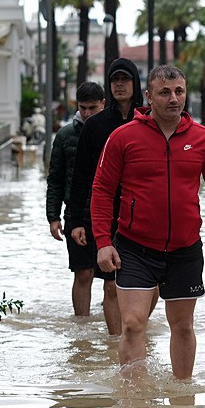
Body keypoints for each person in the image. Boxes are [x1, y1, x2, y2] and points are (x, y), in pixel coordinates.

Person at [91, 64, 205, 380]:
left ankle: (182, 397)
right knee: (133, 323)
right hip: (134, 248)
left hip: (184, 249)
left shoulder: (204, 140)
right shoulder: (123, 137)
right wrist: (103, 242)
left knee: (183, 326)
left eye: (179, 91)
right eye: (165, 92)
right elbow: (102, 190)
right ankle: (135, 400)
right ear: (148, 96)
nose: (174, 99)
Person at [68, 57, 147, 335]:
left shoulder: (150, 121)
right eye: (115, 80)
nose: (120, 85)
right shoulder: (96, 126)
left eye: (125, 79)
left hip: (144, 214)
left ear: (135, 83)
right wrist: (75, 221)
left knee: (150, 285)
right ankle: (118, 344)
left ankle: (137, 331)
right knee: (111, 283)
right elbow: (80, 178)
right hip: (105, 213)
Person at [46, 82, 106, 318]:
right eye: (83, 108)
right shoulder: (65, 136)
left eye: (93, 107)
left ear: (103, 104)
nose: (88, 113)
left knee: (113, 278)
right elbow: (55, 179)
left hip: (109, 213)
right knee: (83, 273)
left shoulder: (115, 132)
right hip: (76, 213)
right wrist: (53, 217)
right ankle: (81, 328)